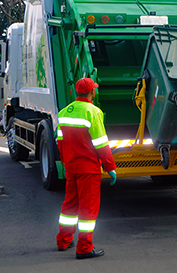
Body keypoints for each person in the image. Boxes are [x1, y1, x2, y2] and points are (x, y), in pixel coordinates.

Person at [56, 77, 117, 259]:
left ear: (77, 92)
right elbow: (101, 144)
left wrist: (66, 161)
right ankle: (84, 247)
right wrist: (110, 167)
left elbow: (60, 141)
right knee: (88, 209)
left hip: (71, 166)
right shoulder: (93, 112)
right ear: (92, 92)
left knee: (69, 204)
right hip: (88, 168)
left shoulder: (64, 112)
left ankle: (63, 240)